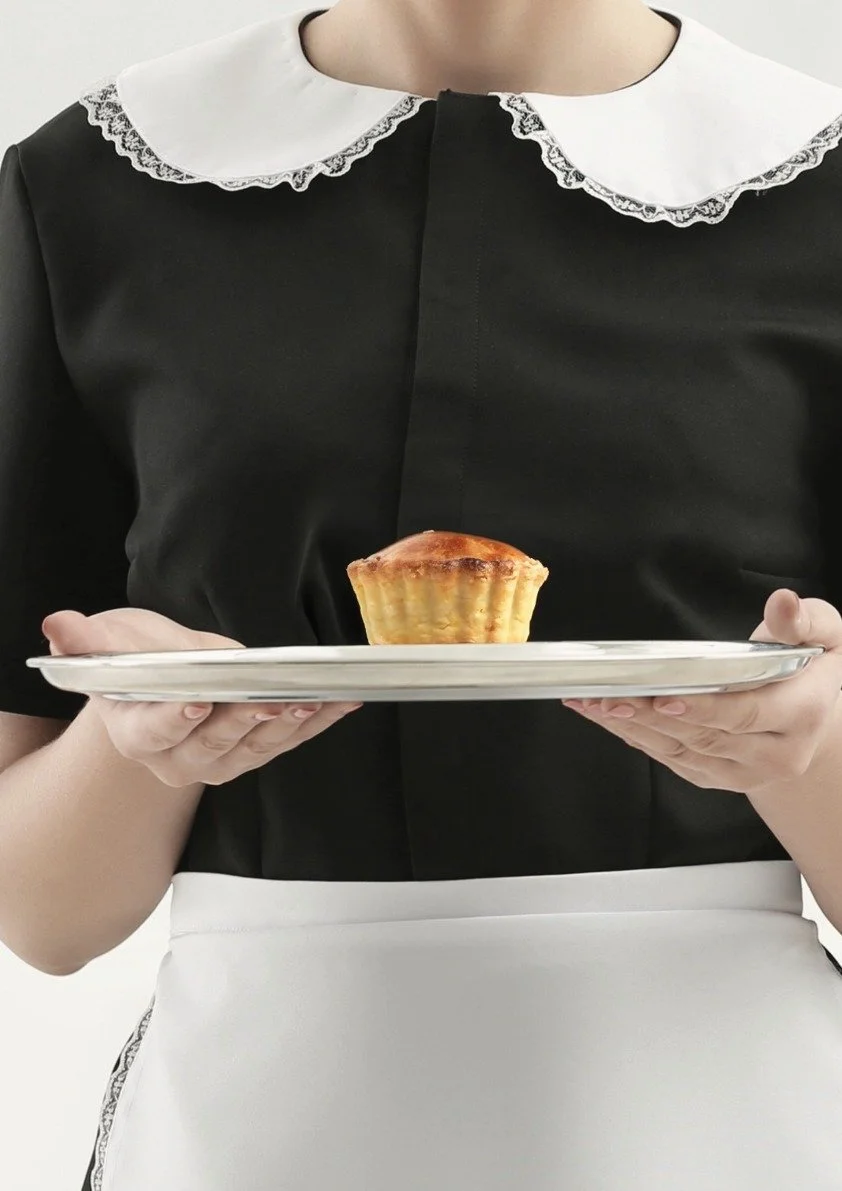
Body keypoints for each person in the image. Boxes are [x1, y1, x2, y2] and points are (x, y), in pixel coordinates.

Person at [2, 0, 842, 1186]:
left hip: (719, 1119)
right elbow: (43, 918)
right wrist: (139, 743)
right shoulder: (89, 185)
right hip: (261, 1117)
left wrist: (805, 750)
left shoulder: (815, 183)